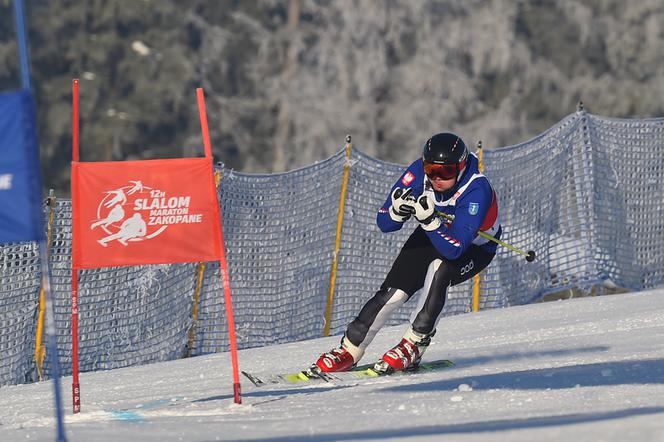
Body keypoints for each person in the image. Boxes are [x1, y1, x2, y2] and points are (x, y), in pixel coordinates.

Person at [314, 132, 501, 373]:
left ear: (462, 166)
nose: (436, 178)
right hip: (433, 229)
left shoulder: (477, 188)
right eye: (431, 169)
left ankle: (415, 342)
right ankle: (350, 348)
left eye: (445, 172)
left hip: (474, 247)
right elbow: (383, 222)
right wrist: (396, 212)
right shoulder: (418, 173)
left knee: (439, 270)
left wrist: (431, 222)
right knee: (395, 292)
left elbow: (455, 249)